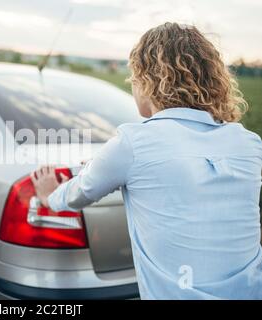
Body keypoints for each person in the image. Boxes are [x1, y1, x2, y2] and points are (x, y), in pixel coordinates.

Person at [31, 22, 262, 299]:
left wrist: (48, 197)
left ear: (150, 80)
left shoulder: (133, 142)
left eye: (134, 78)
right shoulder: (249, 143)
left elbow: (80, 192)